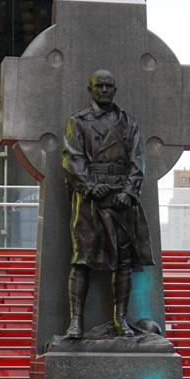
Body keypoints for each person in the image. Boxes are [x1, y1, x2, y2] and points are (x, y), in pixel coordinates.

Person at [62, 69, 152, 339]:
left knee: (123, 262)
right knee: (82, 260)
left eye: (108, 86)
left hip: (121, 201)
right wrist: (88, 186)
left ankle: (120, 321)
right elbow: (71, 158)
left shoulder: (128, 124)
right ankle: (75, 321)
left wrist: (130, 191)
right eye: (98, 86)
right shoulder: (78, 122)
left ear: (115, 89)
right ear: (89, 90)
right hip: (90, 201)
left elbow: (138, 161)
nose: (104, 91)